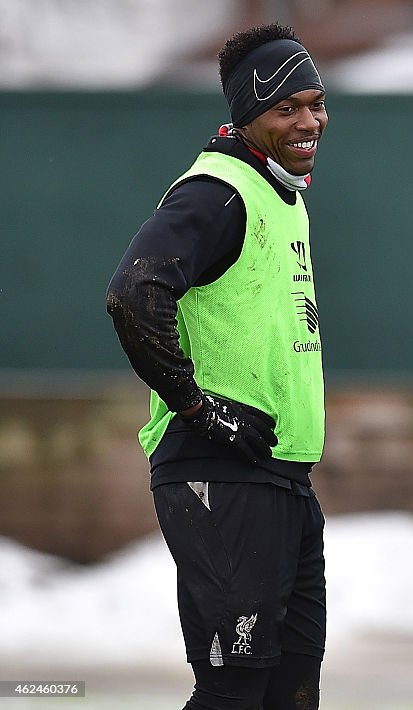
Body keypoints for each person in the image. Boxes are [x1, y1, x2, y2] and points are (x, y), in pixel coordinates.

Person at [106, 23, 328, 710]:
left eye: (316, 102)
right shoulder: (218, 190)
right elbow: (135, 291)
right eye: (287, 108)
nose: (309, 120)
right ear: (247, 115)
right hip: (220, 471)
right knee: (234, 688)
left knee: (289, 690)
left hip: (280, 473)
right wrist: (198, 407)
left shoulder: (281, 195)